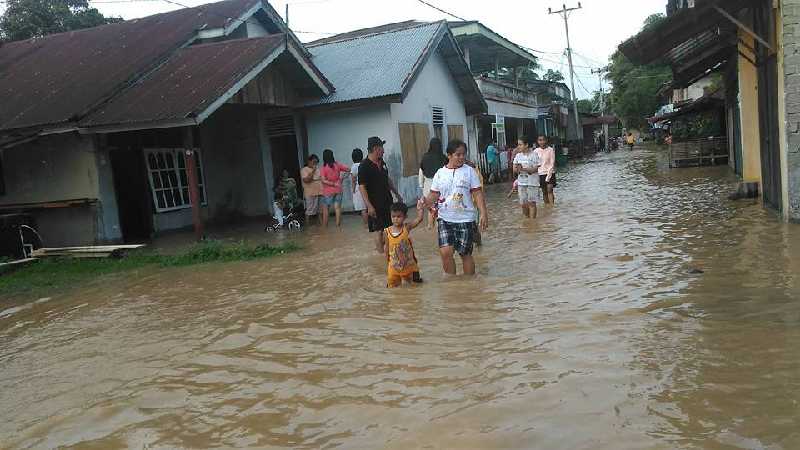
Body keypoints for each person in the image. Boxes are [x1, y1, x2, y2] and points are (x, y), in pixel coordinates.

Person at [422, 139, 488, 276]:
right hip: (445, 218)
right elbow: (434, 195)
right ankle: (452, 284)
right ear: (449, 155)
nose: (462, 157)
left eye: (464, 154)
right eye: (458, 155)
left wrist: (483, 213)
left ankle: (469, 285)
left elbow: (477, 193)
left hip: (466, 218)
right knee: (445, 252)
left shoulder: (470, 171)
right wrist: (424, 201)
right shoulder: (440, 173)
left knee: (465, 254)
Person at [359, 136, 404, 253]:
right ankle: (381, 256)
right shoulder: (364, 166)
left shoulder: (382, 162)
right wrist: (369, 206)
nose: (383, 151)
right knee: (379, 231)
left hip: (387, 202)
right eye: (381, 148)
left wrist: (397, 194)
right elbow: (362, 187)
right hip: (374, 204)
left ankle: (389, 253)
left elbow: (387, 179)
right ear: (375, 149)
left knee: (390, 229)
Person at [385, 202, 425, 288]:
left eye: (399, 216)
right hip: (393, 265)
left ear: (405, 217)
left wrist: (420, 208)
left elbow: (419, 219)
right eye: (393, 216)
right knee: (392, 286)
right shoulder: (387, 231)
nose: (396, 219)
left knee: (411, 286)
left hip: (408, 265)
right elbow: (386, 247)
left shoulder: (406, 227)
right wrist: (387, 261)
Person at [418, 137, 447, 229]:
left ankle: (430, 226)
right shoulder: (444, 158)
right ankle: (439, 227)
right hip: (440, 186)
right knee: (440, 208)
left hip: (428, 186)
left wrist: (421, 186)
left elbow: (421, 172)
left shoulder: (425, 157)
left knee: (430, 208)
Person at [319, 149, 350, 228]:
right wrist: (341, 178)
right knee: (337, 208)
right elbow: (348, 169)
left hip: (328, 191)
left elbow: (323, 180)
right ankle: (338, 226)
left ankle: (324, 228)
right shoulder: (337, 165)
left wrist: (332, 183)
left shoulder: (323, 168)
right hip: (338, 189)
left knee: (326, 210)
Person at [513, 135, 540, 219]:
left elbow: (535, 169)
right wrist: (518, 169)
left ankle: (532, 222)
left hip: (532, 183)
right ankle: (528, 220)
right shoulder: (518, 156)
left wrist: (523, 169)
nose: (518, 146)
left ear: (526, 145)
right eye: (518, 144)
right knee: (523, 204)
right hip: (521, 183)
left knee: (532, 203)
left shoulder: (534, 155)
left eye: (520, 144)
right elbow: (514, 169)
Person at [534, 135, 556, 205]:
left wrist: (548, 176)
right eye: (540, 140)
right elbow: (534, 163)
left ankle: (552, 206)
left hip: (550, 172)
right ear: (537, 141)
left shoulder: (550, 150)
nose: (542, 142)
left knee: (550, 189)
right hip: (540, 173)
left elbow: (552, 163)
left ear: (546, 140)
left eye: (543, 140)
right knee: (544, 191)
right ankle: (547, 206)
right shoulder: (536, 151)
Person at [300, 154, 322, 225]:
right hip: (309, 193)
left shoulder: (318, 169)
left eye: (316, 162)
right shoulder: (304, 170)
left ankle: (322, 225)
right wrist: (313, 171)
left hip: (318, 192)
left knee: (319, 210)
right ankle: (307, 226)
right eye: (314, 162)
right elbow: (307, 180)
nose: (315, 164)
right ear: (309, 161)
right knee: (309, 210)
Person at [350, 148, 368, 227]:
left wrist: (353, 190)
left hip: (359, 188)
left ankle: (366, 225)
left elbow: (353, 180)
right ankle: (370, 224)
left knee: (363, 208)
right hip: (366, 187)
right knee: (367, 206)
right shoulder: (364, 164)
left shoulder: (354, 166)